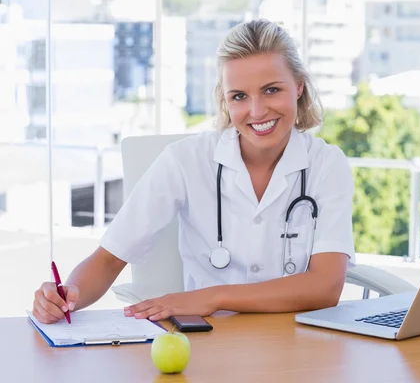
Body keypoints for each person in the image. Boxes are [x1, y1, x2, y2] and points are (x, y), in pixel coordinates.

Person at [32, 19, 355, 324]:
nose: (257, 111)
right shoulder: (185, 160)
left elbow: (325, 287)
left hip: (293, 342)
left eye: (272, 90)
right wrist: (66, 297)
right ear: (225, 101)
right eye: (239, 96)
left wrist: (213, 297)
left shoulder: (327, 164)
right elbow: (108, 258)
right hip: (206, 340)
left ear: (298, 86)